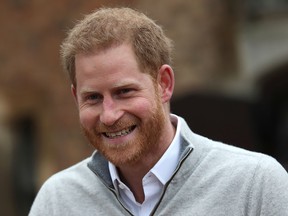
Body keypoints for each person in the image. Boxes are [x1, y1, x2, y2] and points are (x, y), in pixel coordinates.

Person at [29, 7, 288, 216]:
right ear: (76, 98)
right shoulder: (57, 201)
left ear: (164, 84)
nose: (109, 115)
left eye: (124, 92)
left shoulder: (255, 185)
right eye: (93, 98)